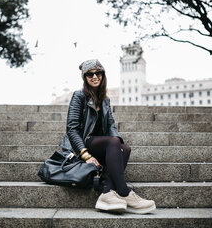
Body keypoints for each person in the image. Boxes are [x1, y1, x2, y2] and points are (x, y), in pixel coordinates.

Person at [58, 59, 156, 214]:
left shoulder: (105, 100)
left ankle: (107, 193)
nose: (95, 76)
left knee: (125, 148)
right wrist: (85, 155)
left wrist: (117, 146)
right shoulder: (79, 96)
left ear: (103, 75)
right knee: (113, 142)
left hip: (100, 143)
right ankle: (123, 192)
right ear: (85, 77)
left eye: (98, 73)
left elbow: (110, 125)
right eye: (90, 74)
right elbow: (72, 129)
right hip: (82, 143)